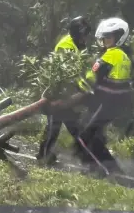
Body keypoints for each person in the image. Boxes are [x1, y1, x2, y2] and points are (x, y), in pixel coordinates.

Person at [73, 16, 134, 175]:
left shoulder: (110, 55)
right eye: (105, 37)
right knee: (95, 136)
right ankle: (112, 170)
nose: (106, 40)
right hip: (119, 102)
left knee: (85, 136)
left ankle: (97, 169)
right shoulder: (124, 57)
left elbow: (91, 76)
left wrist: (79, 86)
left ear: (118, 37)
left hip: (108, 102)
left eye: (109, 37)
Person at [36, 16, 92, 165]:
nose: (86, 38)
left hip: (70, 95)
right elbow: (67, 73)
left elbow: (81, 69)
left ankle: (45, 154)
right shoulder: (66, 46)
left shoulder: (78, 45)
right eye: (84, 35)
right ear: (77, 34)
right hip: (60, 94)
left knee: (73, 127)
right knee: (55, 127)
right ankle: (44, 156)